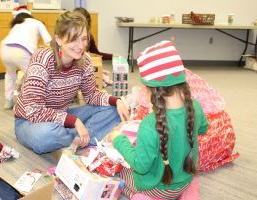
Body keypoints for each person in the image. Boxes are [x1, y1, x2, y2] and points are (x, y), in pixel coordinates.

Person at [13, 11, 129, 154]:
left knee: (114, 110)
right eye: (74, 39)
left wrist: (116, 100)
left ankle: (73, 138)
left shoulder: (84, 60)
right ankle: (80, 136)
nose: (80, 46)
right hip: (29, 122)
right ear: (58, 39)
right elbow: (34, 111)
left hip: (61, 116)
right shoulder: (43, 59)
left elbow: (91, 95)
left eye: (84, 39)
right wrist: (73, 121)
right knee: (44, 136)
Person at [111, 40, 209, 199]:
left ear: (152, 90)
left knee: (120, 173)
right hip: (185, 179)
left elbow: (141, 166)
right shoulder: (195, 107)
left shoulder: (150, 124)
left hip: (158, 189)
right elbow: (203, 128)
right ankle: (188, 192)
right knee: (185, 175)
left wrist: (118, 140)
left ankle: (142, 197)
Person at [0, 5, 52, 109]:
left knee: (10, 74)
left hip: (4, 49)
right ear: (30, 15)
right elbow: (49, 41)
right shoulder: (37, 22)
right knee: (35, 76)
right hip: (21, 51)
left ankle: (8, 100)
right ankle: (31, 103)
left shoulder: (16, 25)